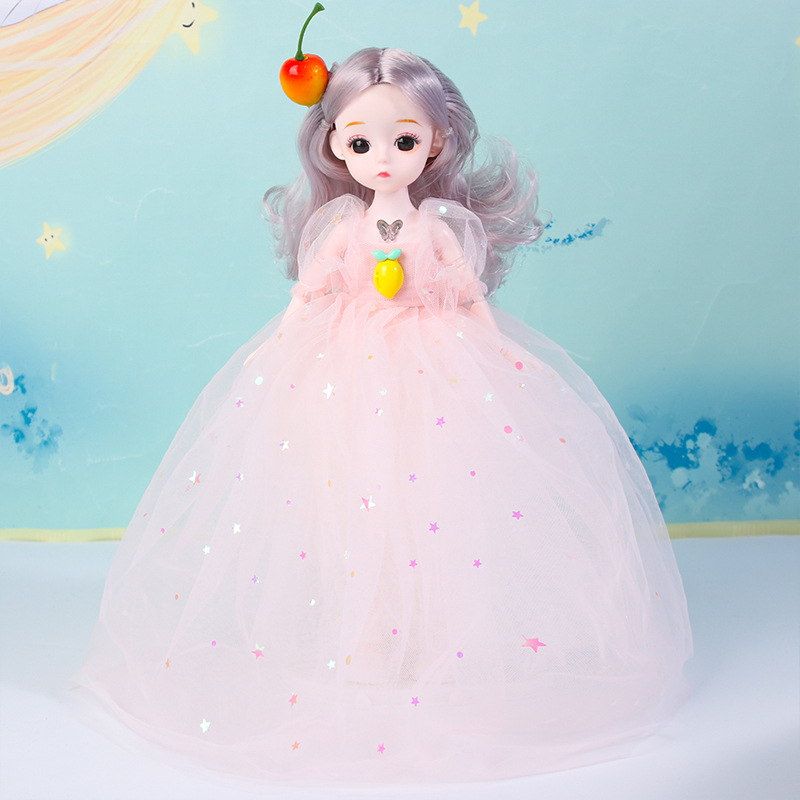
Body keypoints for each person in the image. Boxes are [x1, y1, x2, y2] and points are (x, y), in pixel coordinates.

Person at [76, 47, 692, 783]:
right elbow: (307, 296)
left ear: (435, 142)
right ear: (335, 146)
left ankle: (428, 636)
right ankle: (365, 639)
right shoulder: (342, 226)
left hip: (437, 369)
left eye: (403, 139)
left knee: (430, 499)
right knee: (352, 498)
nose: (382, 158)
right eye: (361, 142)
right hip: (345, 371)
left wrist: (503, 361)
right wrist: (276, 353)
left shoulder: (436, 226)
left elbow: (470, 299)